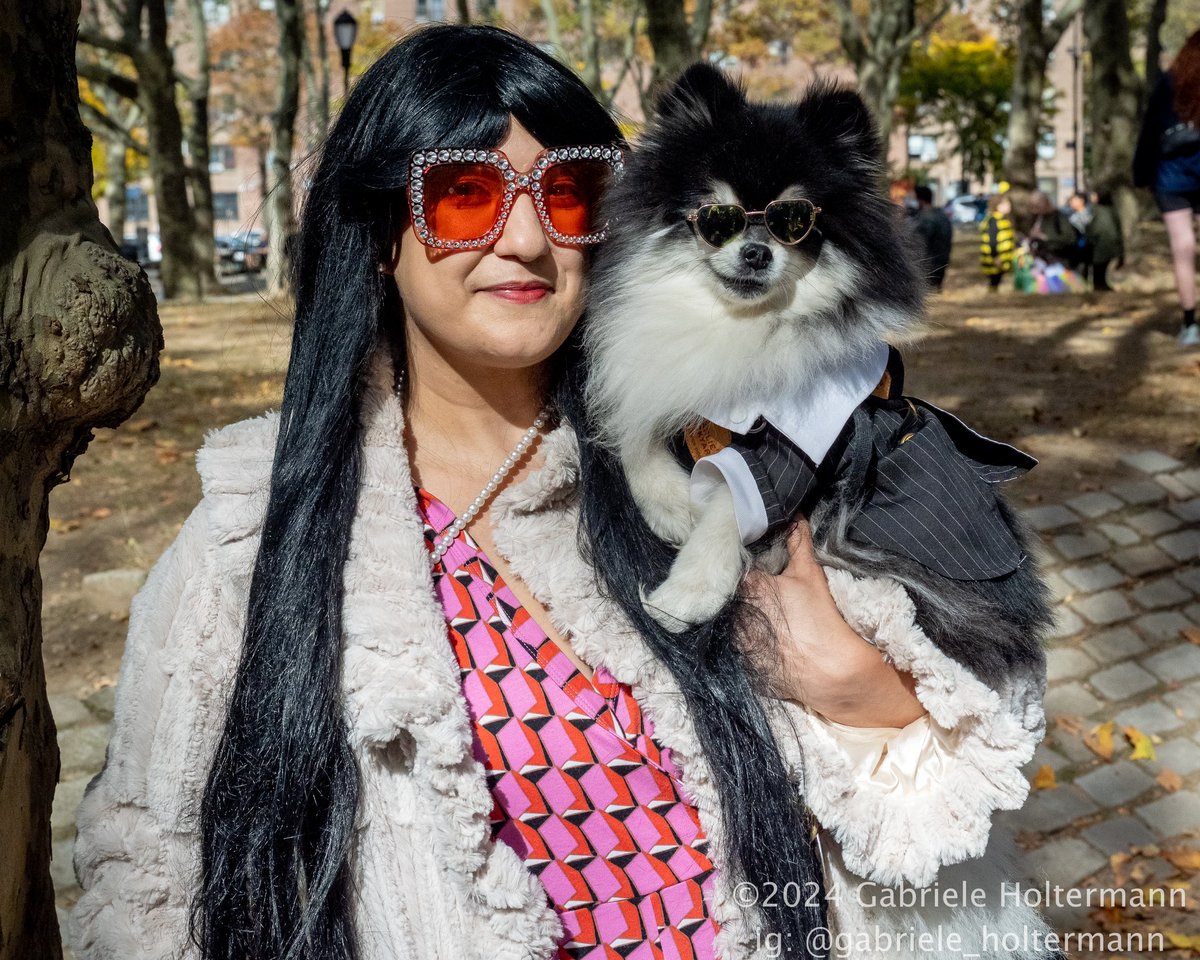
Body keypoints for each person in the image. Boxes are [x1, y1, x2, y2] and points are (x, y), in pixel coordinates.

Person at [69, 24, 1060, 960]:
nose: (526, 239)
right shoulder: (247, 543)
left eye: (571, 194)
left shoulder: (725, 455)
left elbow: (972, 741)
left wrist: (851, 682)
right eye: (465, 195)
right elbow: (146, 878)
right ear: (381, 234)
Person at [1134, 27, 1200, 346]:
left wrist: (1141, 174)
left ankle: (1189, 323)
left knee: (1182, 249)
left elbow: (1149, 130)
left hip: (1170, 173)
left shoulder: (1168, 82)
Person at [911, 183, 953, 289]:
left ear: (921, 200)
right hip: (942, 264)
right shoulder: (942, 216)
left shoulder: (923, 219)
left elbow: (919, 244)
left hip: (928, 268)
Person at [1024, 191, 1079, 267]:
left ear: (1044, 203)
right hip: (1042, 259)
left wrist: (1045, 237)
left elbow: (1070, 238)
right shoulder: (1038, 216)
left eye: (1036, 206)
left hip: (1059, 259)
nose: (1034, 210)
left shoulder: (1059, 217)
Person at [1086, 190, 1124, 292]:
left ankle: (1099, 286)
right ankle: (1102, 285)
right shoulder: (1113, 210)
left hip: (1101, 244)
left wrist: (1089, 236)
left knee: (1098, 268)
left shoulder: (1097, 210)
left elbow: (1096, 228)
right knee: (1102, 268)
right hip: (1112, 244)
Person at [979, 192, 1016, 289]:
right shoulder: (994, 221)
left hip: (1002, 258)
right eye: (1006, 204)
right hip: (996, 258)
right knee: (994, 281)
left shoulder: (1003, 220)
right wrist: (996, 257)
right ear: (998, 205)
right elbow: (992, 241)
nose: (1009, 206)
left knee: (998, 280)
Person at [1066, 191, 1093, 279]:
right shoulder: (1074, 215)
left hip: (1082, 246)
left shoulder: (1087, 215)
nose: (1071, 202)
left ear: (1081, 201)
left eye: (1074, 200)